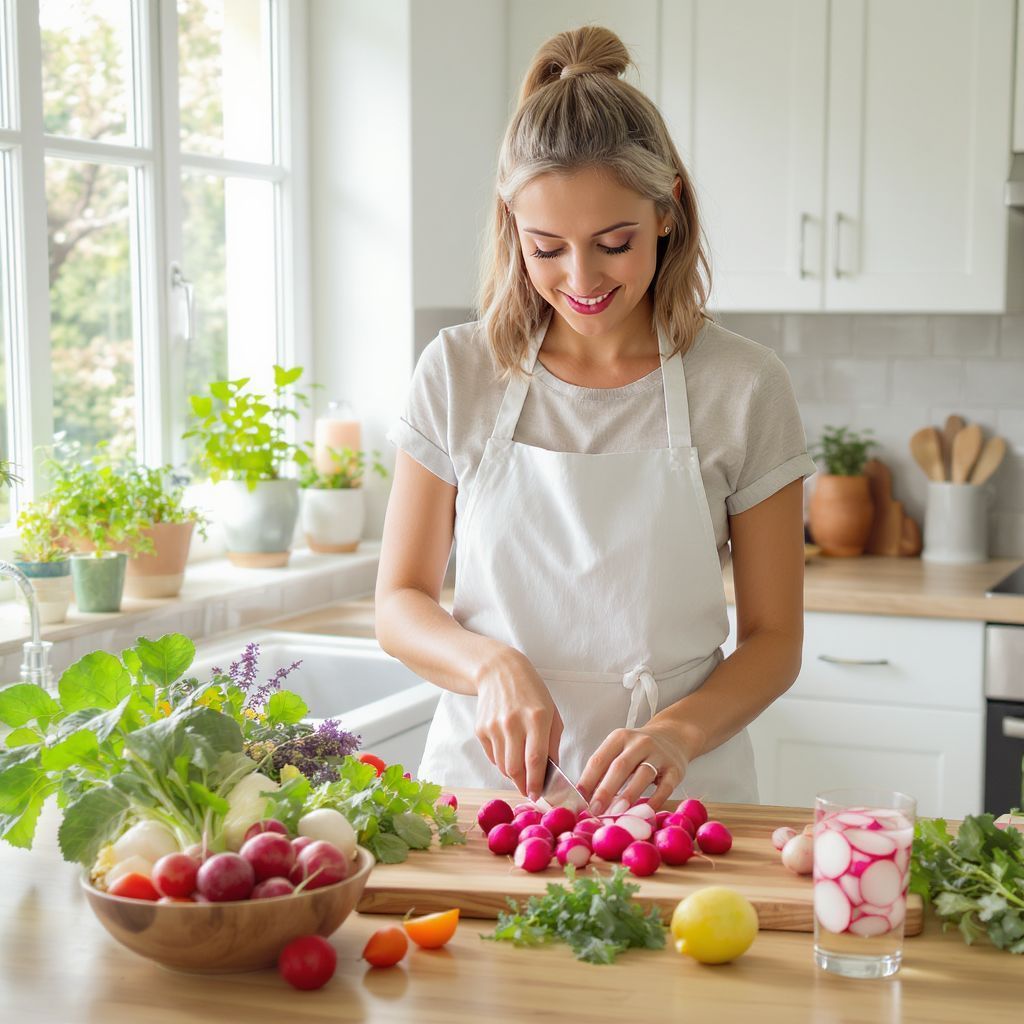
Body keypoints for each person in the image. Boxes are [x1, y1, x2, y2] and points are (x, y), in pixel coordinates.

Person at [375, 25, 815, 815]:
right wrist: (488, 666)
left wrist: (678, 732)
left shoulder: (744, 387)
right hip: (491, 797)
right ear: (512, 227)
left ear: (668, 212)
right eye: (546, 248)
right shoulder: (457, 371)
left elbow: (776, 640)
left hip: (679, 797)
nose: (580, 280)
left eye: (613, 242)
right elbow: (400, 602)